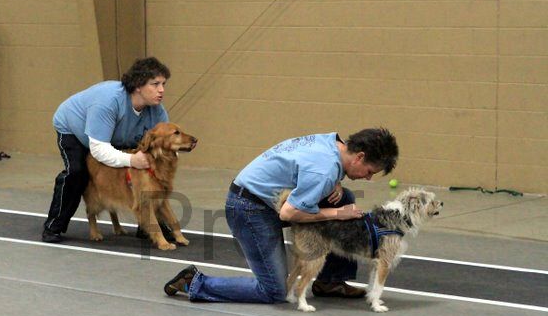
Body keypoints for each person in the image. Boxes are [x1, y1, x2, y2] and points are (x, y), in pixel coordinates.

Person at [164, 128, 399, 303]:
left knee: (344, 196)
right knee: (274, 291)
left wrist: (337, 184)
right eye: (369, 172)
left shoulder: (334, 142)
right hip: (249, 208)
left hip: (264, 197)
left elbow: (309, 166)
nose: (368, 178)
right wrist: (337, 212)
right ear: (358, 156)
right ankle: (196, 282)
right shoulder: (323, 170)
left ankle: (330, 281)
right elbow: (290, 213)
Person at [42, 57, 171, 243]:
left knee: (148, 175)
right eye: (155, 84)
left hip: (116, 136)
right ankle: (54, 225)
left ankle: (147, 226)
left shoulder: (157, 110)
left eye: (163, 84)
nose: (161, 90)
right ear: (137, 86)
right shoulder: (109, 102)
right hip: (75, 130)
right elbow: (99, 150)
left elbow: (165, 146)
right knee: (77, 173)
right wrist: (132, 160)